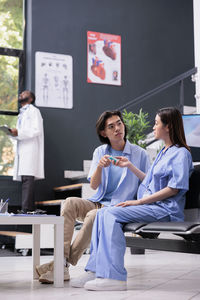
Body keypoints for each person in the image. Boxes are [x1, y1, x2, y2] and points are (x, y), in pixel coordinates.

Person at [72, 107, 194, 291]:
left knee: (110, 214)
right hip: (153, 207)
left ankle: (115, 277)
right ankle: (95, 270)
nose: (153, 127)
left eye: (156, 123)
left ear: (168, 127)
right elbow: (150, 181)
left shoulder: (181, 153)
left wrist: (138, 201)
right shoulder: (164, 151)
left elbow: (174, 188)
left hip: (165, 209)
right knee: (103, 213)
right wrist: (130, 166)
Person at [36, 110, 150, 283]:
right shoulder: (100, 152)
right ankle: (61, 263)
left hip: (119, 207)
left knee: (93, 216)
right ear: (104, 133)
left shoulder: (139, 154)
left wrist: (132, 169)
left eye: (119, 123)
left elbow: (148, 182)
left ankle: (61, 265)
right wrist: (99, 167)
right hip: (98, 201)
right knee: (69, 203)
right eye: (111, 126)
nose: (118, 128)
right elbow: (94, 185)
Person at [10, 90, 44, 213]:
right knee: (25, 179)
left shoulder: (34, 111)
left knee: (28, 178)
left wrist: (18, 132)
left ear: (30, 99)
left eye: (24, 94)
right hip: (23, 148)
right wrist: (12, 134)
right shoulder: (22, 114)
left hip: (30, 148)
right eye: (21, 93)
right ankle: (27, 208)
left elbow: (36, 130)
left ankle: (27, 208)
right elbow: (20, 132)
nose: (21, 94)